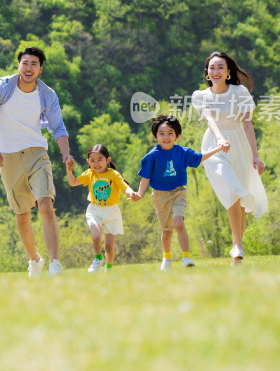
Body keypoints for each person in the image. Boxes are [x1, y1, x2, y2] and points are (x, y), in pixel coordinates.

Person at [0, 47, 73, 277]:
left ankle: (55, 263)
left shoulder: (47, 94)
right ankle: (35, 259)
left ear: (40, 69)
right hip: (8, 156)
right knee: (22, 214)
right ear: (18, 66)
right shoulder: (3, 87)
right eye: (25, 63)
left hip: (37, 152)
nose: (29, 68)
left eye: (34, 64)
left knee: (45, 204)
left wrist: (65, 153)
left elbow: (58, 128)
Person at [191, 51, 268, 265]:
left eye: (220, 67)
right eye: (211, 68)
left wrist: (255, 155)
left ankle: (238, 247)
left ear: (228, 72)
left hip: (239, 145)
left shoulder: (239, 92)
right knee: (232, 189)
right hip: (214, 148)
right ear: (207, 72)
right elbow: (209, 120)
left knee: (240, 200)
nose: (215, 71)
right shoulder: (201, 96)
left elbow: (247, 123)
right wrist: (220, 140)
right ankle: (237, 244)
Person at [129, 115, 226, 270]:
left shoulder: (182, 152)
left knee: (179, 223)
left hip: (178, 192)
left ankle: (186, 257)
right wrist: (139, 194)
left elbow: (200, 158)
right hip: (160, 196)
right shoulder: (152, 156)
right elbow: (145, 177)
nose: (166, 137)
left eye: (170, 133)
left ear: (177, 135)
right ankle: (167, 257)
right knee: (166, 231)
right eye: (161, 133)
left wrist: (219, 148)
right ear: (155, 136)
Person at [66, 144, 139, 272]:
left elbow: (124, 187)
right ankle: (97, 259)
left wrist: (132, 193)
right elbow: (73, 183)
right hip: (95, 211)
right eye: (92, 161)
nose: (96, 163)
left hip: (112, 212)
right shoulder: (90, 174)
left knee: (109, 247)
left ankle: (108, 268)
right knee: (95, 236)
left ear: (108, 160)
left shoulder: (114, 174)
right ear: (88, 162)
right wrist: (69, 170)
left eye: (100, 159)